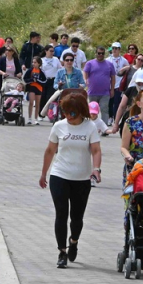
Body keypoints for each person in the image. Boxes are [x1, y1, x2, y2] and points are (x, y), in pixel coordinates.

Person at [39, 91, 102, 269]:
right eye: (65, 112)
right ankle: (62, 251)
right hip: (60, 175)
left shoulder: (89, 127)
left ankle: (74, 241)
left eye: (72, 113)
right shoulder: (59, 126)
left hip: (82, 179)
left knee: (77, 217)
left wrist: (96, 169)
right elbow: (50, 151)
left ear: (81, 111)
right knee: (61, 214)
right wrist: (44, 174)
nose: (68, 116)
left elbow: (96, 150)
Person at [83, 45, 115, 111]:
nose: (100, 55)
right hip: (92, 92)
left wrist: (112, 89)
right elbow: (85, 72)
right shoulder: (89, 63)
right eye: (99, 53)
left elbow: (113, 78)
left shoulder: (110, 64)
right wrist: (86, 80)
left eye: (102, 53)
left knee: (104, 110)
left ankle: (104, 122)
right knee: (92, 111)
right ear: (96, 53)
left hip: (105, 93)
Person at [24, 55, 49, 125]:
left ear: (39, 63)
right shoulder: (30, 70)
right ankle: (29, 118)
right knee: (31, 102)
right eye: (33, 62)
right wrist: (31, 80)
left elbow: (44, 81)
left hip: (39, 88)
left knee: (37, 104)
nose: (33, 64)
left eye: (35, 62)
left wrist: (37, 80)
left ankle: (36, 118)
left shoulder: (41, 72)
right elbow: (25, 79)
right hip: (32, 87)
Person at [40, 44, 61, 112]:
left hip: (53, 80)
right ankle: (40, 113)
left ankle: (51, 113)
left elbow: (60, 69)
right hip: (44, 80)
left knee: (51, 97)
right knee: (42, 97)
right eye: (50, 51)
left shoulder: (56, 59)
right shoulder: (42, 60)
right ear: (46, 51)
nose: (52, 52)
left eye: (53, 51)